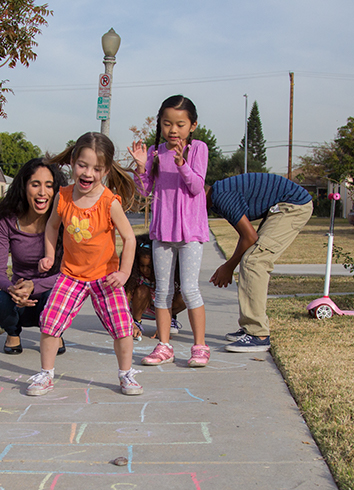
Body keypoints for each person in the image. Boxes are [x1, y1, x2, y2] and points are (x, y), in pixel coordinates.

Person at [26, 132, 142, 397]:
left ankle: (126, 375)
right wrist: (49, 255)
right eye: (83, 165)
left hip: (106, 276)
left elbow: (129, 238)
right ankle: (46, 374)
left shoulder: (109, 202)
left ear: (106, 170)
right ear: (72, 163)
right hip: (71, 275)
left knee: (123, 327)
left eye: (97, 168)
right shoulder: (63, 197)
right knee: (50, 322)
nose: (88, 173)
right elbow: (52, 227)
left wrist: (124, 273)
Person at [128, 95, 210, 367]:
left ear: (193, 125)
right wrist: (141, 165)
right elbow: (145, 191)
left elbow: (197, 187)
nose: (173, 130)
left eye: (180, 124)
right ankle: (164, 346)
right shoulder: (156, 152)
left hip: (190, 233)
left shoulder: (198, 149)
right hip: (162, 231)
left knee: (188, 289)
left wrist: (181, 165)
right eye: (167, 124)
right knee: (161, 291)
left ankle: (199, 347)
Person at [207, 173, 313, 352]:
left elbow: (250, 236)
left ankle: (258, 335)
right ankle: (250, 328)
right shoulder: (218, 193)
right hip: (283, 203)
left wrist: (229, 266)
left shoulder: (221, 196)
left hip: (293, 205)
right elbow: (247, 236)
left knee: (254, 261)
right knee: (251, 257)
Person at [0, 157, 67, 355]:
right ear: (23, 187)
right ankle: (13, 334)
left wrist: (36, 285)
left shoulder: (66, 221)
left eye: (49, 186)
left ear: (56, 190)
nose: (42, 193)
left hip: (51, 297)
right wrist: (12, 289)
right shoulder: (6, 221)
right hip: (19, 300)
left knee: (61, 297)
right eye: (35, 185)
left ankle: (54, 332)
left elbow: (71, 273)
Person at [125, 233, 185, 341]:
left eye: (149, 267)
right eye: (142, 266)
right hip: (141, 307)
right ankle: (136, 322)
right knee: (142, 290)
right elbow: (126, 297)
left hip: (164, 308)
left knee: (185, 296)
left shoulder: (165, 273)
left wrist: (163, 326)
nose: (145, 270)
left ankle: (169, 319)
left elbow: (173, 295)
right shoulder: (135, 275)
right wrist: (128, 321)